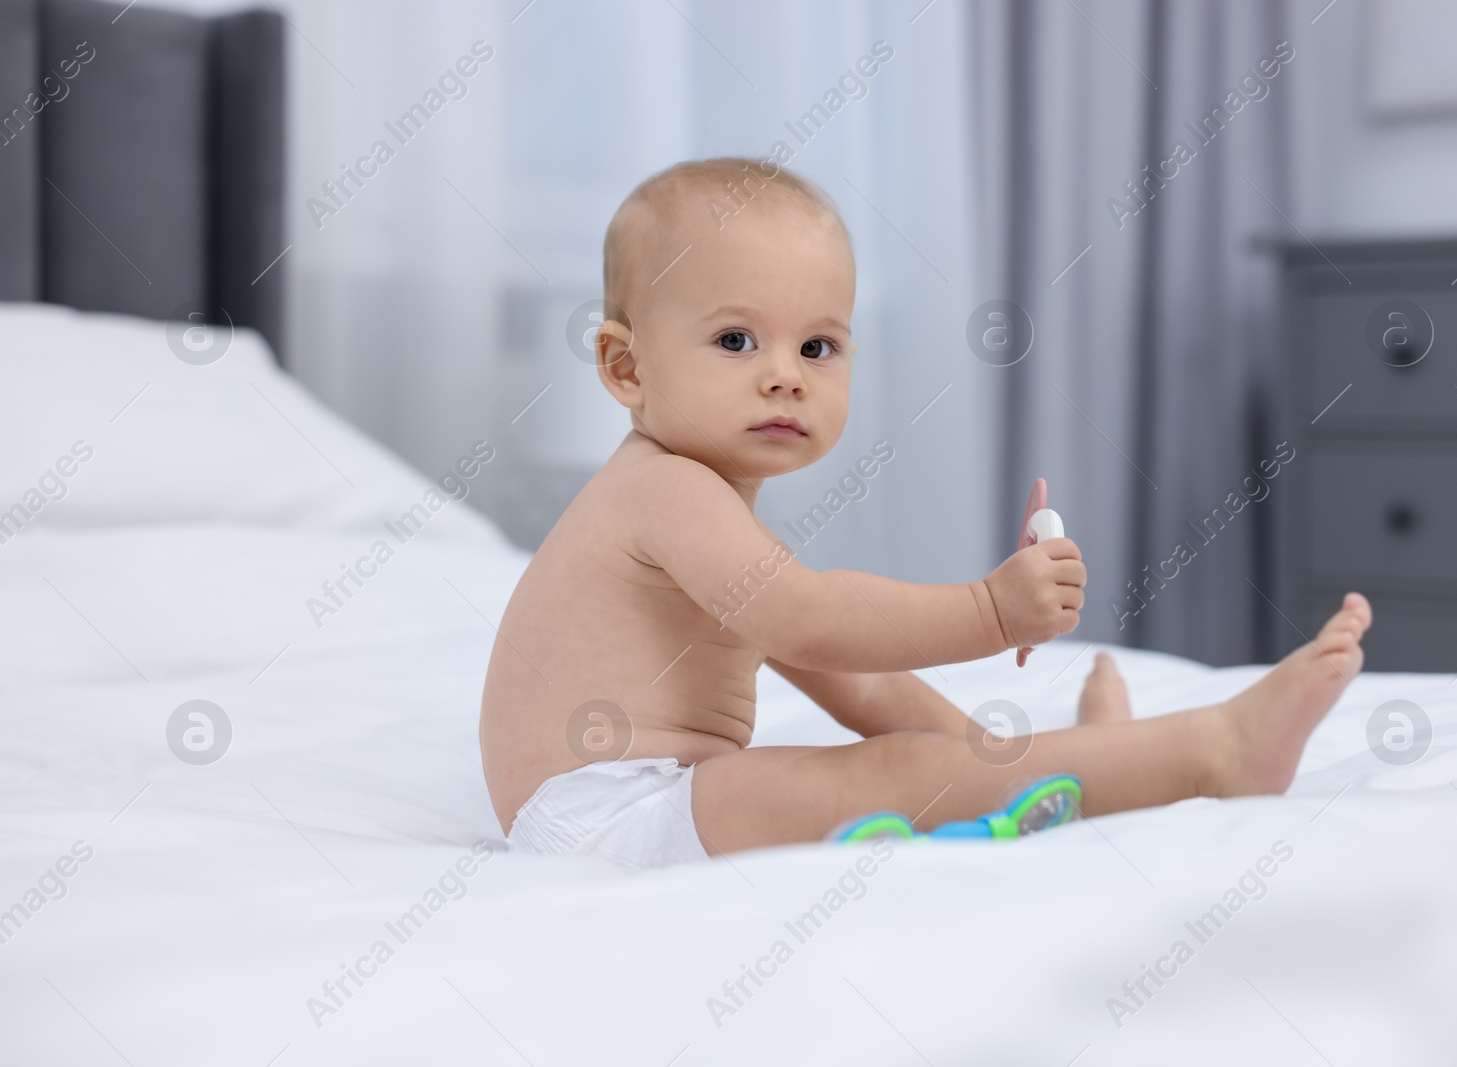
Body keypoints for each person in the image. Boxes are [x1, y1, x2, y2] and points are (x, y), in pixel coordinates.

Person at [478, 157, 1371, 871]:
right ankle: (1214, 753)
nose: (786, 372)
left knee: (921, 762)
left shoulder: (712, 522)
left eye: (818, 344)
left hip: (653, 795)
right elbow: (814, 621)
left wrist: (989, 755)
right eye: (736, 339)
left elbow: (858, 683)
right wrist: (991, 611)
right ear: (626, 368)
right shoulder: (660, 491)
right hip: (603, 817)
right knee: (880, 779)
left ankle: (1097, 764)